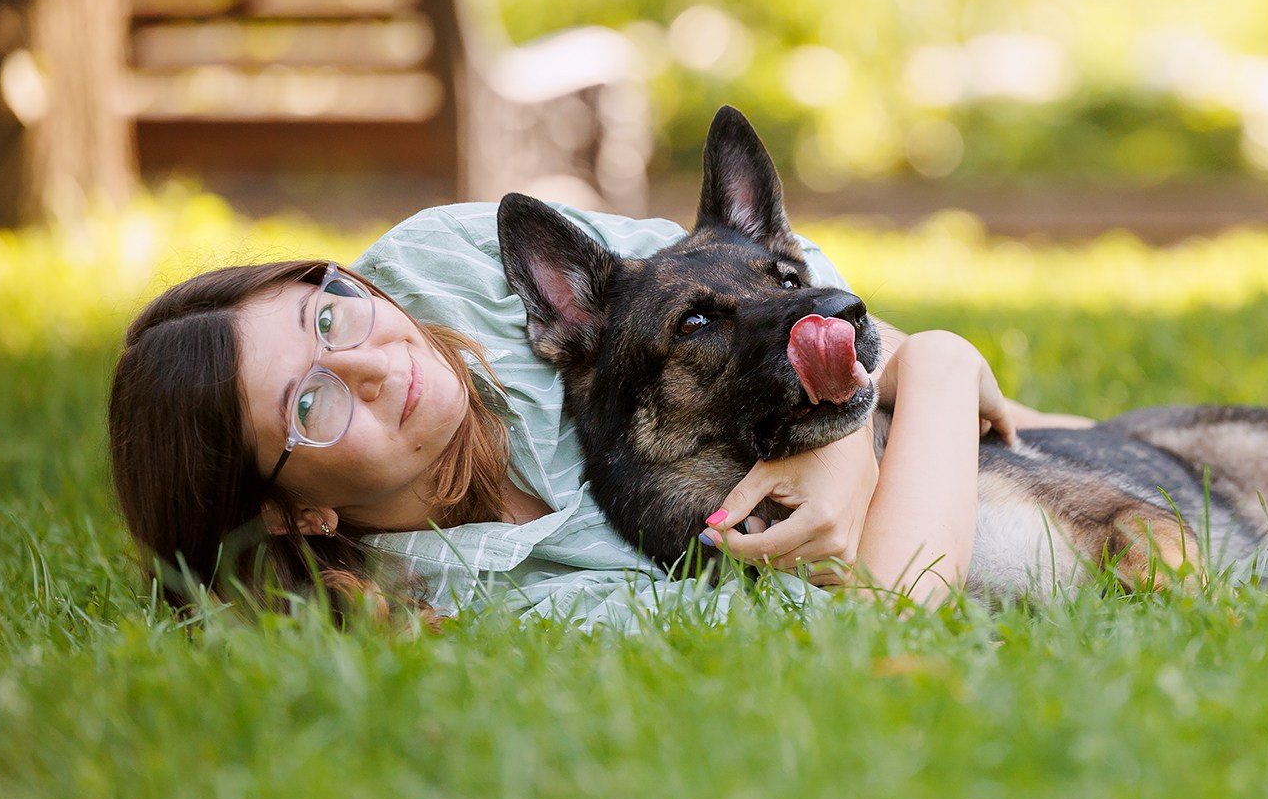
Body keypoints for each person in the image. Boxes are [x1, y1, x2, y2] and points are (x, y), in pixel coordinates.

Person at [107, 201, 1086, 629]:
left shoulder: (452, 260)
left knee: (1075, 450)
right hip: (904, 483)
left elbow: (748, 279)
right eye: (309, 403)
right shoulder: (476, 602)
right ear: (297, 514)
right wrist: (939, 363)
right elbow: (890, 602)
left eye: (327, 311)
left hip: (870, 408)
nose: (368, 358)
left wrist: (842, 430)